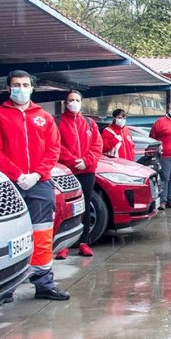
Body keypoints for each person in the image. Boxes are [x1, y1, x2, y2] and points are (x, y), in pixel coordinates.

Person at [0, 70, 70, 302]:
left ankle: (44, 284)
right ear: (8, 88)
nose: (20, 89)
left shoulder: (44, 117)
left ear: (32, 88)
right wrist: (17, 174)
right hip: (11, 183)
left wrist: (37, 174)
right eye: (16, 85)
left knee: (42, 234)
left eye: (24, 85)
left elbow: (54, 149)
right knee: (10, 237)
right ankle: (5, 289)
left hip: (39, 184)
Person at [56, 90, 103, 258]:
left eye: (77, 100)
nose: (74, 103)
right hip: (67, 172)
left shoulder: (90, 123)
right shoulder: (58, 122)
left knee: (86, 204)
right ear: (65, 103)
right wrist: (73, 161)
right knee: (66, 208)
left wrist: (86, 161)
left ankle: (84, 242)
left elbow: (97, 146)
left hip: (87, 171)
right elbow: (56, 145)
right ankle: (64, 244)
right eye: (71, 100)